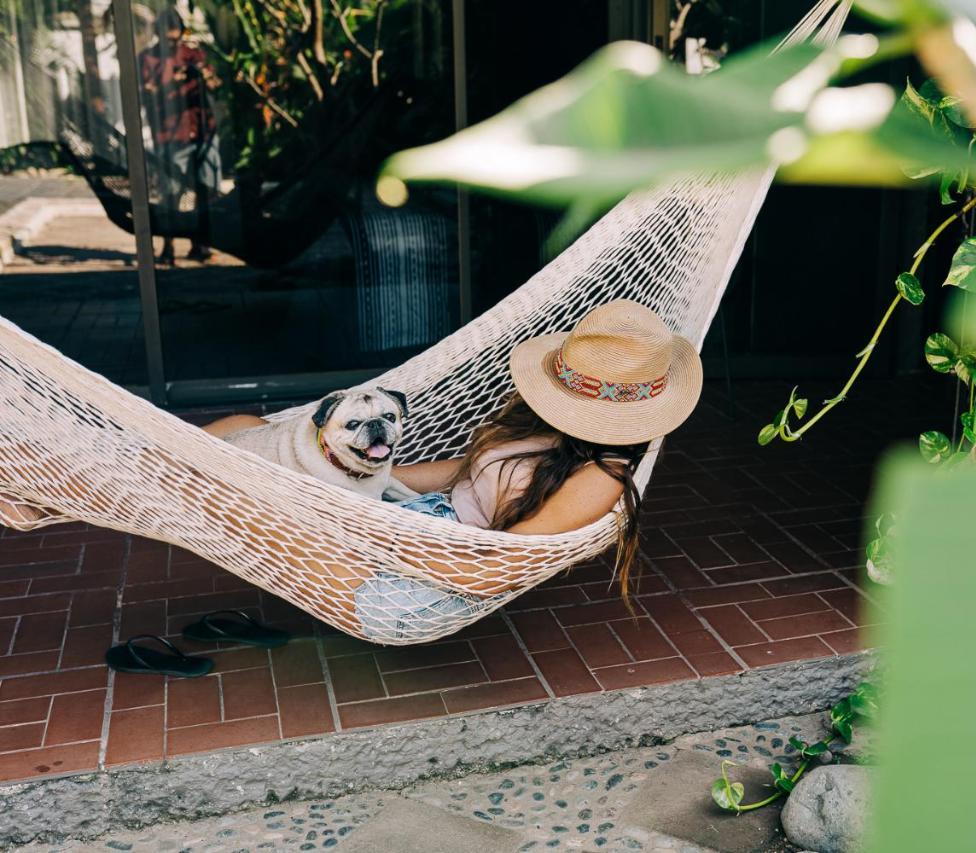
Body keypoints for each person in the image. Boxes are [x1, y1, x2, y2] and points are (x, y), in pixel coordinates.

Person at [200, 299, 703, 642]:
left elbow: (504, 563)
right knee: (245, 427)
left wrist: (386, 541)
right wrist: (364, 478)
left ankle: (160, 475)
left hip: (417, 590)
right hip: (420, 526)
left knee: (242, 507)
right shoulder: (544, 422)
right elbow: (464, 471)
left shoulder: (601, 476)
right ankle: (164, 460)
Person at [139, 8, 221, 265]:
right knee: (171, 194)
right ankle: (168, 247)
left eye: (176, 39)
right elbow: (145, 93)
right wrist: (170, 83)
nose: (172, 44)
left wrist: (205, 76)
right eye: (168, 39)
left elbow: (215, 84)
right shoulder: (148, 59)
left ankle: (201, 244)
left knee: (206, 191)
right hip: (170, 135)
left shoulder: (194, 54)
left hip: (202, 132)